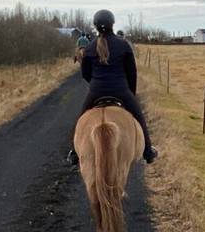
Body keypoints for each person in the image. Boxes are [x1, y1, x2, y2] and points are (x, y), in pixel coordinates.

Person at [67, 9, 158, 165]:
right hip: (121, 90)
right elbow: (132, 73)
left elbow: (86, 74)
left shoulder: (89, 47)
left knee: (81, 119)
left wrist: (96, 84)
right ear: (112, 24)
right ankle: (148, 151)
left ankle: (75, 153)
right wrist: (131, 94)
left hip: (96, 92)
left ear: (95, 26)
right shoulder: (123, 45)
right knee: (139, 116)